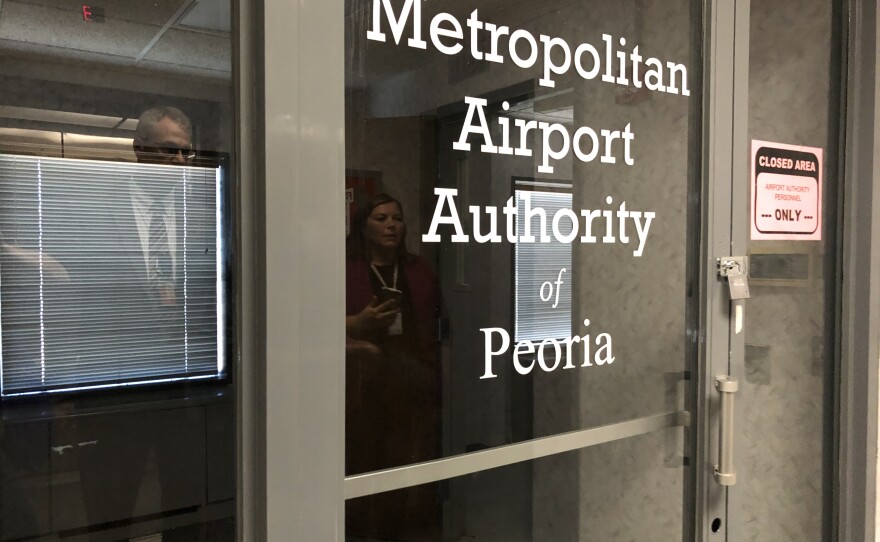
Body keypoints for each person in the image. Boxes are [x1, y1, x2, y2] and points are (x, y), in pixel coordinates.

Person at [345, 193, 442, 542]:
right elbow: (309, 326)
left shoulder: (418, 269)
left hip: (412, 381)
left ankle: (401, 529)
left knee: (407, 461)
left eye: (397, 218)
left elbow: (440, 326)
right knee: (363, 460)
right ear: (364, 227)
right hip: (360, 385)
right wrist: (357, 322)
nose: (391, 225)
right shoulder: (344, 268)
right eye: (381, 218)